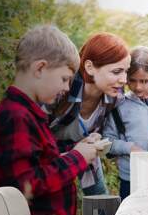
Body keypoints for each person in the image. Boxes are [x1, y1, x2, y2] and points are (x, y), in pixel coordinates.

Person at [0, 25, 99, 215]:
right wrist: (77, 158)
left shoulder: (29, 113)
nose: (67, 88)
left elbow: (41, 162)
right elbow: (26, 186)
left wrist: (77, 149)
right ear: (40, 68)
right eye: (65, 79)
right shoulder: (16, 117)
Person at [45, 33, 130, 197]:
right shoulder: (62, 88)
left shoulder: (114, 97)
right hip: (49, 159)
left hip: (85, 156)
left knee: (101, 202)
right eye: (117, 71)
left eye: (126, 71)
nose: (124, 79)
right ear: (90, 67)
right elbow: (33, 131)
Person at [103, 46, 148, 200]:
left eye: (144, 81)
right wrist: (130, 148)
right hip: (130, 175)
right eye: (132, 80)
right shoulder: (120, 105)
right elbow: (107, 141)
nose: (138, 86)